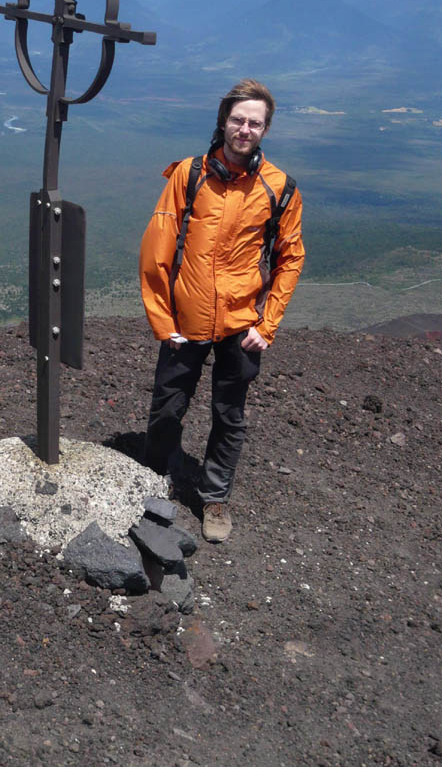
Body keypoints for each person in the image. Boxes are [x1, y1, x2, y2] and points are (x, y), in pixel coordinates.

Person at [139, 79, 305, 542]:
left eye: (255, 122)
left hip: (243, 323)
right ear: (223, 121)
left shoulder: (280, 188)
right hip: (186, 320)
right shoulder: (188, 176)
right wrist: (162, 319)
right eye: (238, 119)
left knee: (229, 416)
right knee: (167, 408)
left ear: (265, 129)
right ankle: (152, 486)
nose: (244, 129)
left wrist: (267, 326)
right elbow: (157, 249)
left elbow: (291, 257)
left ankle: (214, 501)